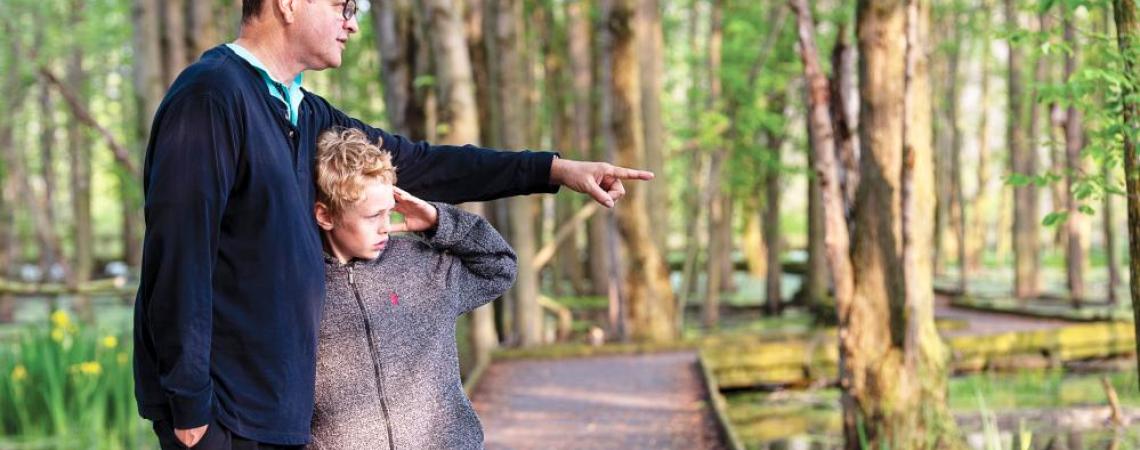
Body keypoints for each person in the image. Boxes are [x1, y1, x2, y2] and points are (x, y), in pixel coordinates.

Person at [132, 0, 653, 448]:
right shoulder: (211, 97)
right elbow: (178, 257)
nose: (352, 24)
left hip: (277, 411)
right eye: (343, 6)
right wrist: (189, 406)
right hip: (223, 414)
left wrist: (553, 170)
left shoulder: (305, 113)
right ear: (287, 3)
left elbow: (425, 163)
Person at [309, 128, 511, 449]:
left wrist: (436, 221)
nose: (386, 226)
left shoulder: (421, 267)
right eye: (373, 215)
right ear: (325, 215)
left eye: (389, 211)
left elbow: (499, 266)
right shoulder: (299, 286)